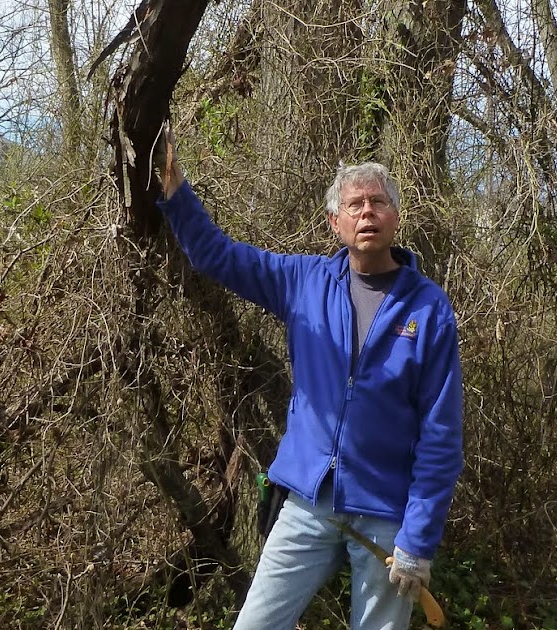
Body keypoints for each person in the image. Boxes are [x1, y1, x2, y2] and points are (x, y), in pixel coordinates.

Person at [154, 129, 464, 630]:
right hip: (306, 500)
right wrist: (174, 189)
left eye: (378, 203)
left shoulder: (428, 309)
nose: (367, 212)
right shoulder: (304, 282)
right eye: (355, 204)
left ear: (396, 218)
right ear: (334, 222)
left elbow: (442, 434)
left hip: (387, 515)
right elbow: (219, 256)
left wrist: (418, 538)